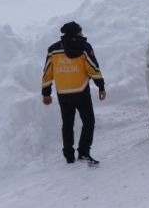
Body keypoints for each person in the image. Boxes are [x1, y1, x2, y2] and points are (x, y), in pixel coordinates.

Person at [41, 21, 106, 164]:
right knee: (88, 121)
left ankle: (69, 155)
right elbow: (92, 68)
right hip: (81, 91)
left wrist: (46, 93)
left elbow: (47, 72)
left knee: (67, 124)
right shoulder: (84, 47)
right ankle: (83, 152)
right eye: (80, 31)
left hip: (63, 93)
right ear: (77, 32)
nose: (82, 34)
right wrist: (101, 86)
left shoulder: (53, 50)